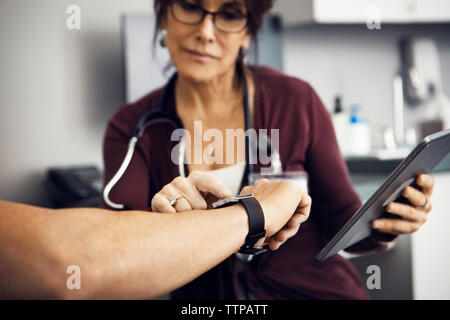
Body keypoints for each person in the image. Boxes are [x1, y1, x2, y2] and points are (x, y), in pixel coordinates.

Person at [102, 0, 435, 299]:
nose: (205, 32)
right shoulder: (132, 128)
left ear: (249, 31)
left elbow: (340, 223)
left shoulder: (296, 101)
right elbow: (127, 257)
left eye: (230, 14)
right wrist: (169, 222)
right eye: (190, 7)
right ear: (163, 15)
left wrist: (386, 221)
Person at [0, 178, 311, 299]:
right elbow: (74, 262)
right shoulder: (136, 121)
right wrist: (255, 213)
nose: (206, 34)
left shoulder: (293, 99)